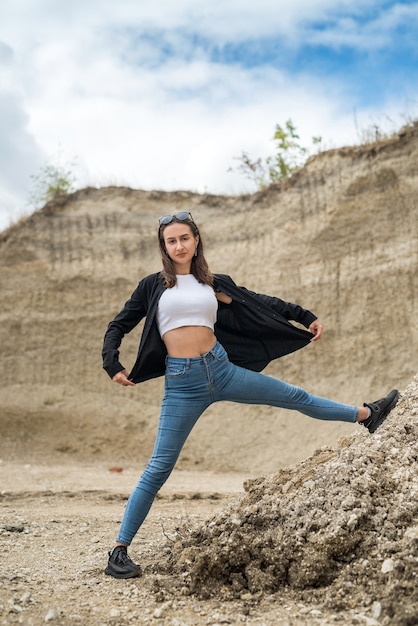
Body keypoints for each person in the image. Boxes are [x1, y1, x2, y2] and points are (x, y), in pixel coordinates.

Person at [101, 211, 399, 579]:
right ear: (163, 247)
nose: (179, 246)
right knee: (159, 466)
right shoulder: (153, 285)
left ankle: (368, 415)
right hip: (183, 384)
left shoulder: (213, 283)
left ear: (196, 241)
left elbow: (260, 301)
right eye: (171, 241)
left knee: (295, 396)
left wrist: (304, 315)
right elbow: (120, 324)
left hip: (222, 369)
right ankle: (119, 550)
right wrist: (111, 364)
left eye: (184, 238)